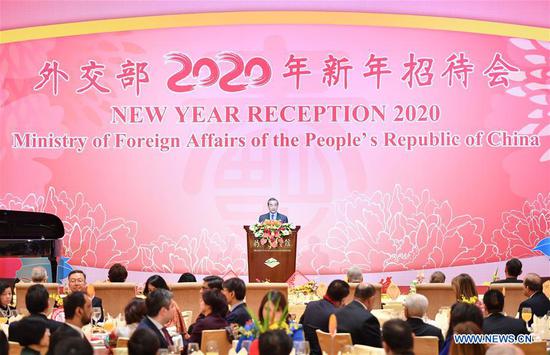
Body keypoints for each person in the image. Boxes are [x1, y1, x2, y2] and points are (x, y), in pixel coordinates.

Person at [239, 290, 304, 354]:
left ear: (284, 312)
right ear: (261, 309)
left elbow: (300, 352)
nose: (271, 314)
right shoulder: (250, 329)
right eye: (267, 309)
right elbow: (238, 352)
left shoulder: (294, 329)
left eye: (277, 310)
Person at [300, 280, 349, 355]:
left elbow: (300, 325)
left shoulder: (311, 305)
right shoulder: (336, 314)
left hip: (307, 352)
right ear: (342, 300)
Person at [336, 283, 381, 347]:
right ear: (371, 299)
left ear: (355, 296)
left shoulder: (338, 313)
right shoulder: (369, 319)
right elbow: (377, 348)